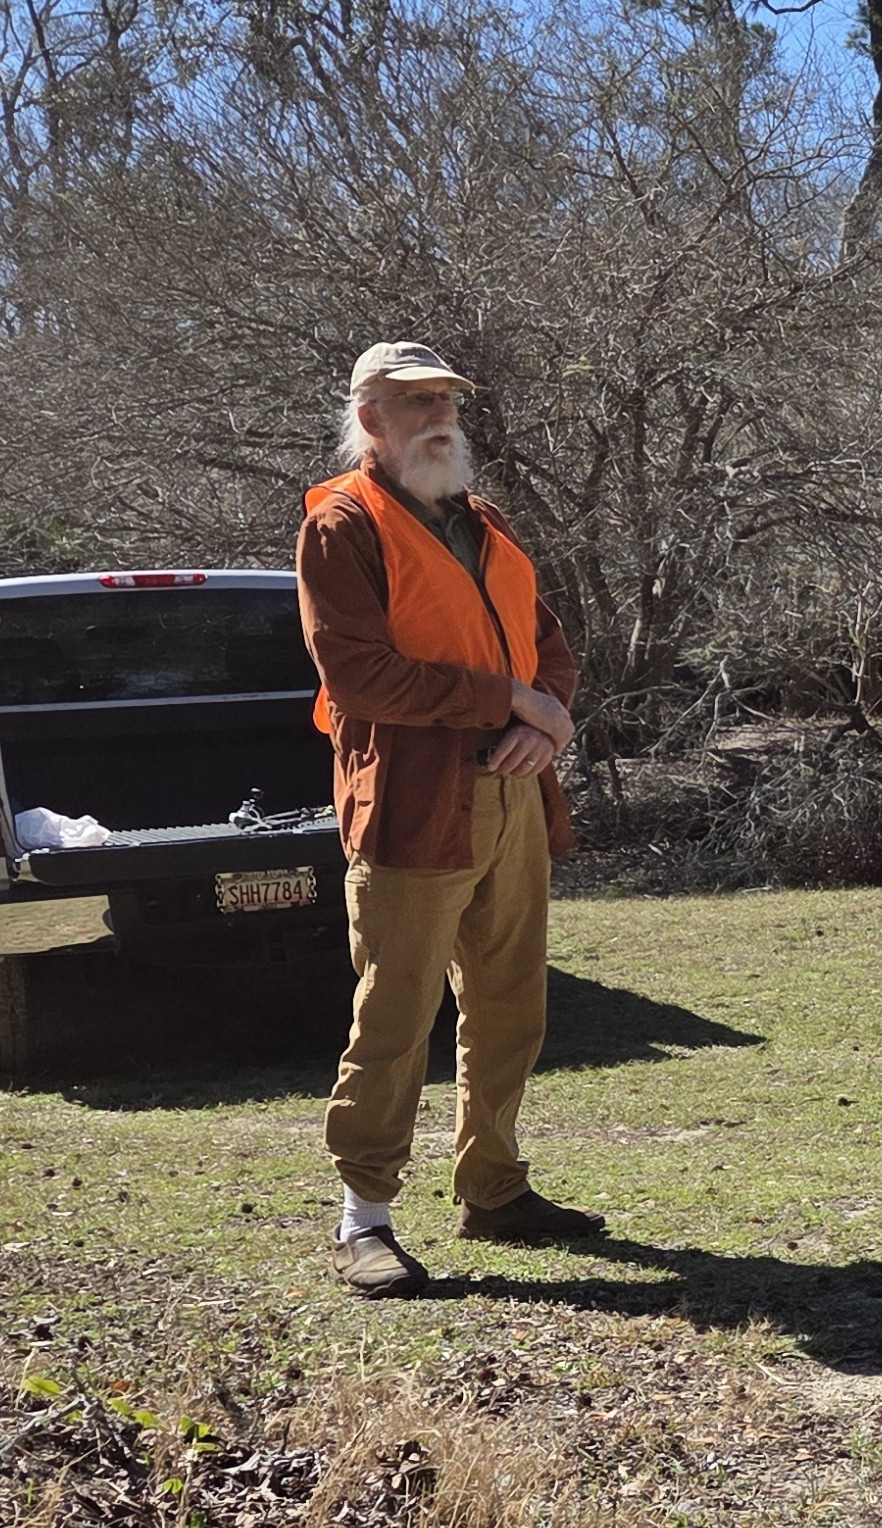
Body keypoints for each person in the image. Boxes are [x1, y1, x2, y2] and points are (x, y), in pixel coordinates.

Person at [299, 340, 609, 1297]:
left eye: (447, 400)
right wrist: (509, 701)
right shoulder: (341, 526)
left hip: (512, 795)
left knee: (511, 1005)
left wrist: (542, 725)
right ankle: (363, 1221)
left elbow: (547, 647)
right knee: (395, 1015)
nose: (439, 416)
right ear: (370, 420)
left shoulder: (483, 519)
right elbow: (361, 676)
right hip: (411, 803)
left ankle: (494, 1189)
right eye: (415, 402)